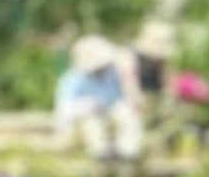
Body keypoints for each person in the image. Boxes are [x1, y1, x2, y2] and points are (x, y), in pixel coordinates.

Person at [53, 32, 142, 169]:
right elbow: (63, 112)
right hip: (81, 121)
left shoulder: (111, 74)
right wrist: (86, 106)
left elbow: (118, 99)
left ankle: (127, 154)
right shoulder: (72, 80)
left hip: (108, 114)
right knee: (92, 121)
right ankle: (101, 156)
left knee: (129, 115)